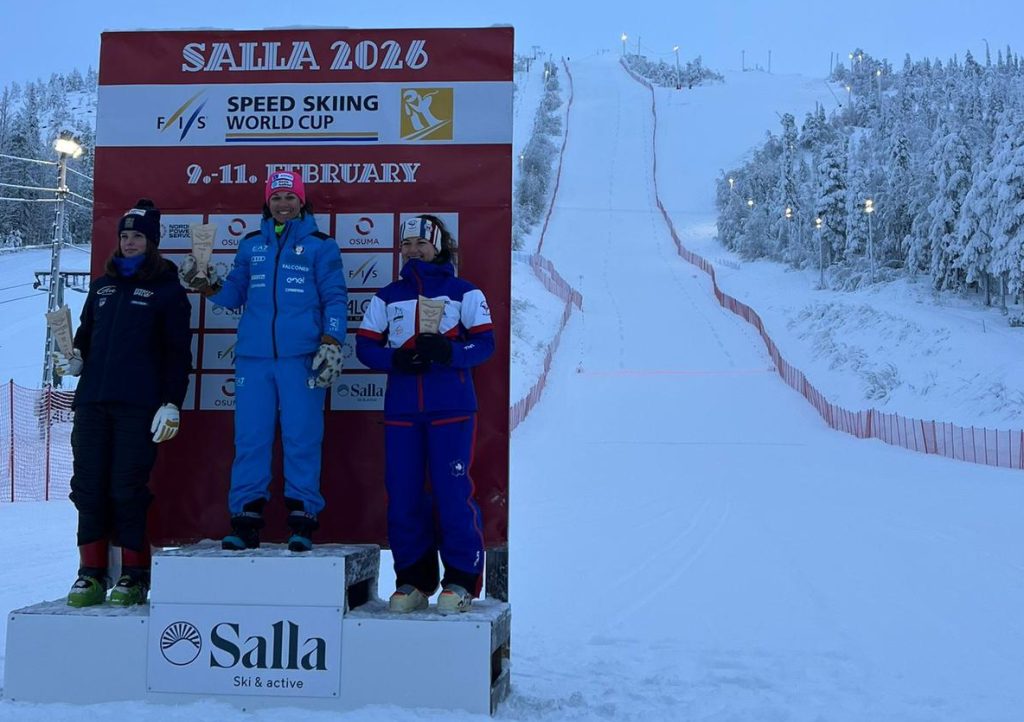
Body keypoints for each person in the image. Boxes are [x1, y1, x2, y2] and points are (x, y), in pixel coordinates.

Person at [180, 170, 347, 552]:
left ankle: (302, 519)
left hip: (302, 358)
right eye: (276, 197)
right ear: (267, 202)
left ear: (302, 201)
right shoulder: (251, 244)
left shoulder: (322, 246)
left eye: (290, 197)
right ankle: (246, 520)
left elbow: (335, 298)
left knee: (302, 438)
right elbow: (233, 296)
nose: (283, 204)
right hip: (254, 359)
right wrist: (207, 284)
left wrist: (332, 341)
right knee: (251, 439)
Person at [356, 214, 494, 614]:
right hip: (402, 411)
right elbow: (365, 347)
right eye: (407, 244)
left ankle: (461, 580)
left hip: (452, 408)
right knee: (403, 496)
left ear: (439, 246)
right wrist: (396, 360)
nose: (414, 250)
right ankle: (413, 580)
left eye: (422, 243)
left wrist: (451, 353)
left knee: (453, 495)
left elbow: (485, 344)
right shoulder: (388, 296)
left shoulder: (464, 292)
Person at [63, 199, 192, 607]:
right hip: (92, 402)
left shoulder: (168, 290)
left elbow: (177, 354)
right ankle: (90, 573)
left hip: (138, 406)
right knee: (87, 488)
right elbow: (86, 334)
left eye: (138, 236)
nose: (130, 242)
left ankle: (135, 575)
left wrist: (171, 402)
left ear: (152, 242)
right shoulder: (102, 286)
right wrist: (76, 357)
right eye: (125, 236)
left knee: (126, 488)